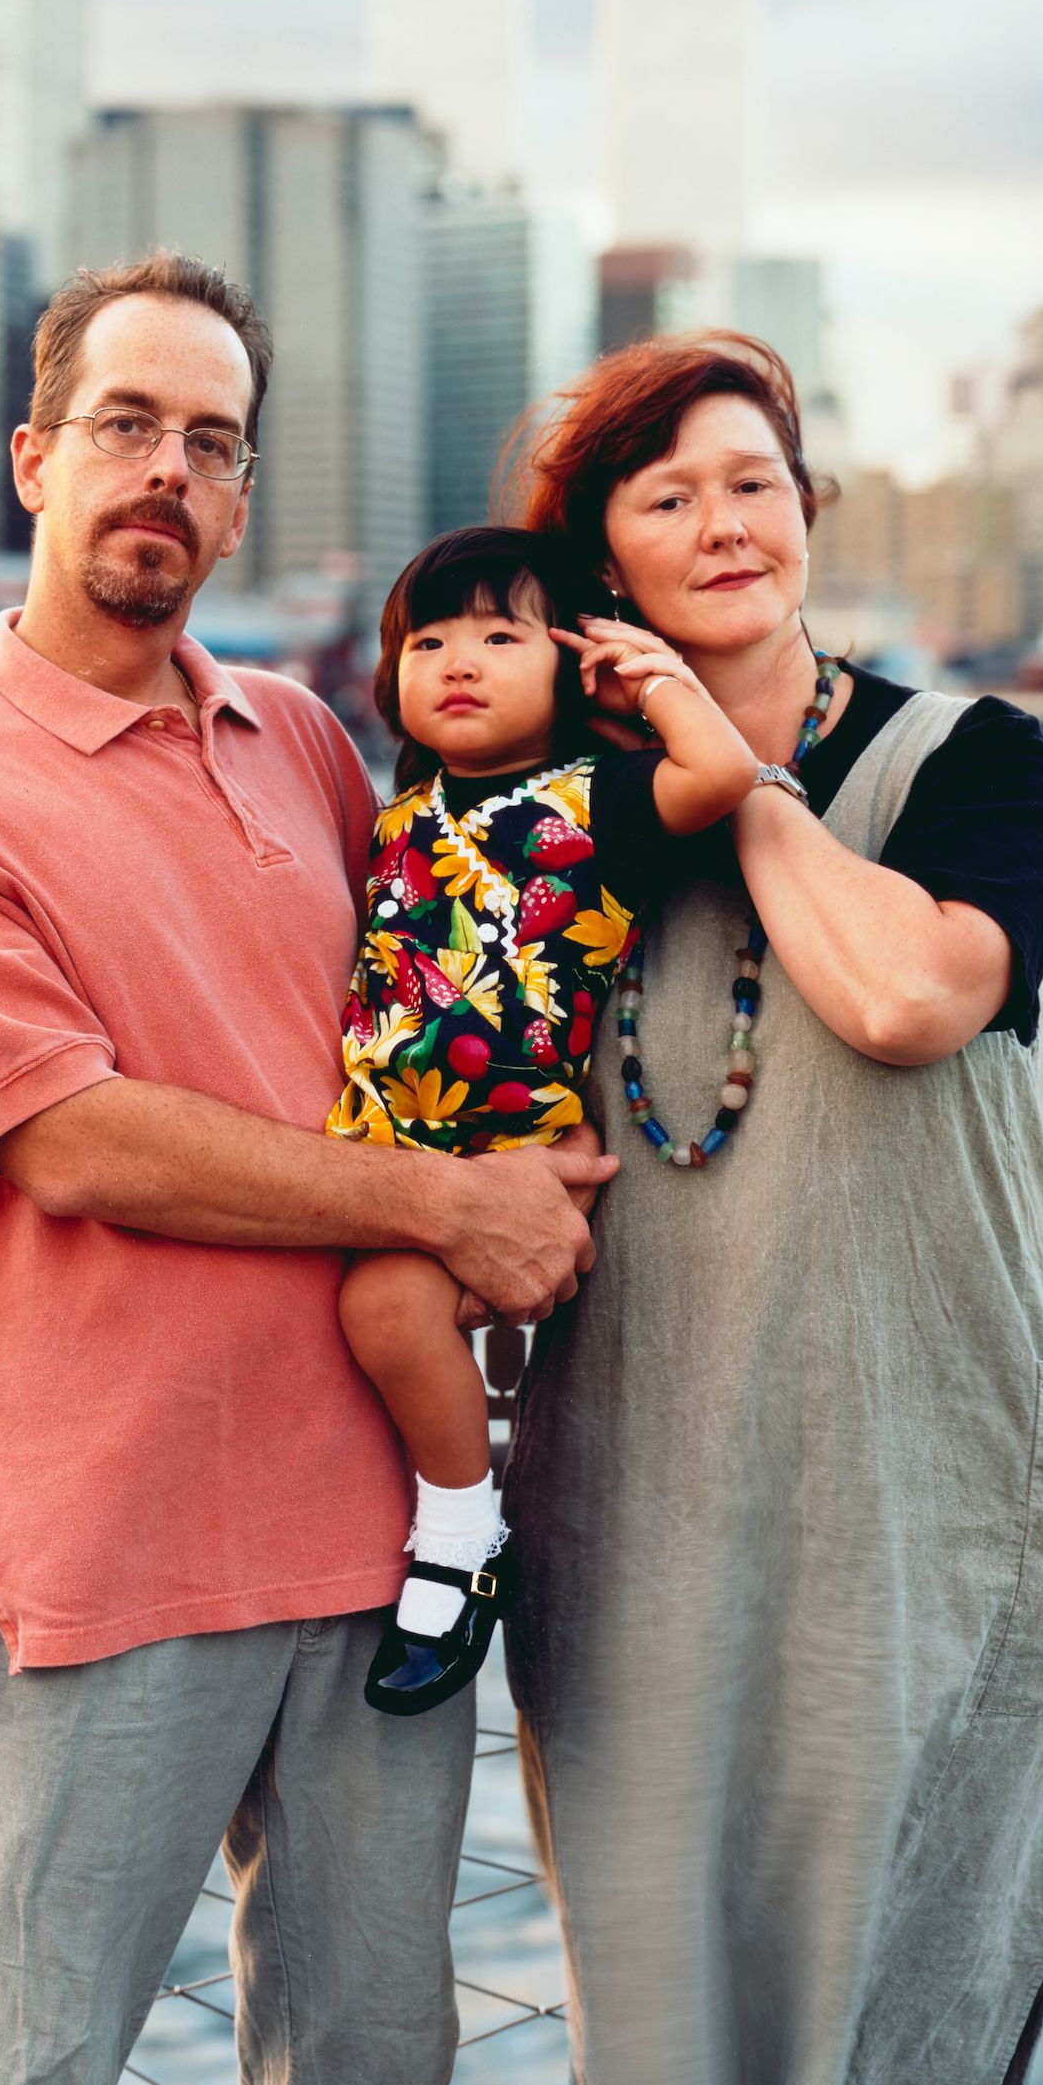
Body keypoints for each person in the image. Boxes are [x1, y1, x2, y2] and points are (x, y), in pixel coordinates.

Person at [0, 252, 613, 2085]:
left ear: (242, 495)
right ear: (32, 460)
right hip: (99, 1560)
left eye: (211, 440)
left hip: (374, 1547)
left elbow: (447, 998)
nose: (166, 471)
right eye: (125, 425)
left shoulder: (308, 743)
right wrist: (446, 1206)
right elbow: (73, 1143)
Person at [502, 332, 1043, 2085]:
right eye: (667, 497)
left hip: (935, 1513)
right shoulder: (544, 810)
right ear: (602, 563)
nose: (723, 526)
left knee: (898, 2068)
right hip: (642, 1510)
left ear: (808, 510)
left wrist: (740, 779)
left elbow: (904, 998)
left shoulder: (965, 761)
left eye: (752, 484)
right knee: (660, 2074)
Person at [326, 526, 772, 1715]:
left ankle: (459, 1535)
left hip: (501, 1153)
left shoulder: (594, 800)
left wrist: (650, 677)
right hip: (374, 1149)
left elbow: (722, 776)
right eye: (427, 642)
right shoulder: (389, 820)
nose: (457, 662)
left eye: (498, 636)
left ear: (573, 665)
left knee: (381, 1308)